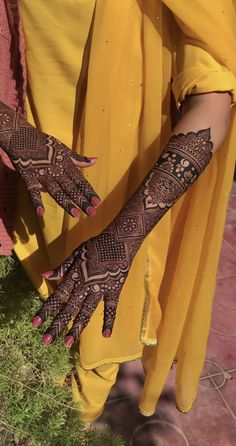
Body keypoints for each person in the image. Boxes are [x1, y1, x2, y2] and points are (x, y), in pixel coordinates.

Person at [0, 0, 236, 422]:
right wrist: (10, 129)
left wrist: (119, 241)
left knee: (74, 392)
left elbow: (213, 100)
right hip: (15, 207)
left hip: (110, 233)